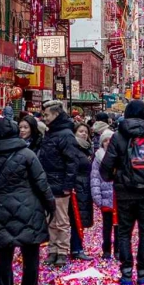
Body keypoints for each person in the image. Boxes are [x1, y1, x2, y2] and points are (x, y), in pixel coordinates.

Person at [0, 117, 55, 285]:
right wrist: (50, 205)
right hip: (29, 207)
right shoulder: (27, 154)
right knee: (31, 252)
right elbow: (41, 182)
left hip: (1, 207)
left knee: (4, 254)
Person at [100, 99, 144, 285]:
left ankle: (126, 273)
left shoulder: (118, 136)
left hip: (124, 193)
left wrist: (115, 178)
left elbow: (106, 166)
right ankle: (143, 272)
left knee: (124, 233)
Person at [36, 100, 84, 267]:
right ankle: (53, 250)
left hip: (59, 182)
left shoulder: (64, 134)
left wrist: (67, 185)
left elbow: (72, 161)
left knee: (61, 220)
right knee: (51, 219)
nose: (44, 118)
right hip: (49, 182)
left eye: (47, 115)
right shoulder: (53, 133)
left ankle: (61, 251)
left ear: (56, 114)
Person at [91, 128, 116, 259]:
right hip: (105, 197)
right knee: (107, 226)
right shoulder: (98, 157)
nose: (107, 142)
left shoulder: (119, 156)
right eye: (105, 140)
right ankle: (106, 249)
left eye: (110, 140)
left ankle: (118, 249)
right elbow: (94, 178)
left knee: (119, 226)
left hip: (117, 197)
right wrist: (97, 197)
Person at [70, 124, 94, 259]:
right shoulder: (75, 149)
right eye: (80, 131)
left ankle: (77, 247)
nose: (84, 134)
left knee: (80, 218)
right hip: (78, 187)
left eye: (86, 132)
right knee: (76, 219)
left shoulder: (87, 148)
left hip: (84, 186)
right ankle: (76, 248)